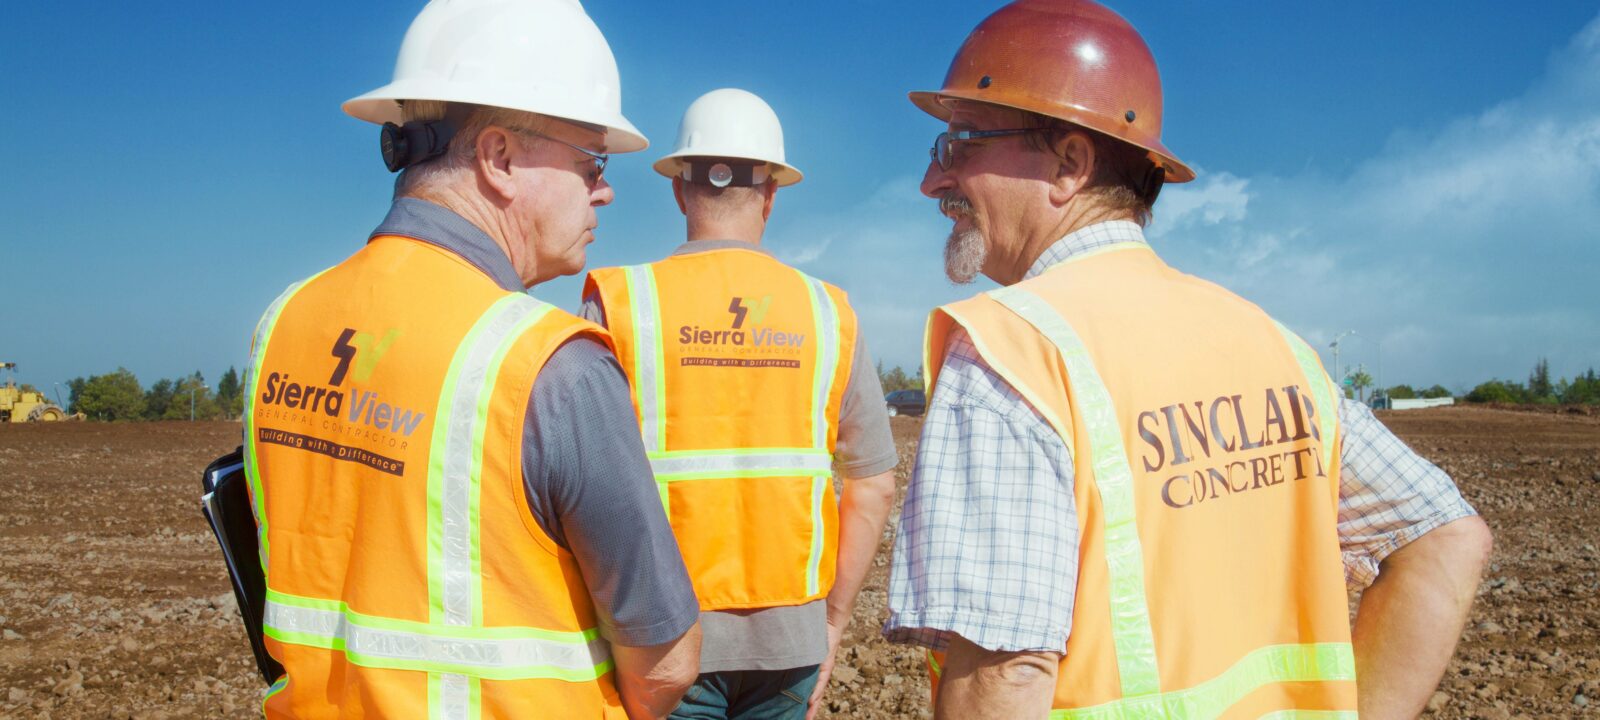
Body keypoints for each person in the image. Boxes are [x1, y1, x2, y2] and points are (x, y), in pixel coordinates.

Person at [882, 1, 1493, 718]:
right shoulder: (1268, 341)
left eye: (961, 144)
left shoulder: (1010, 356)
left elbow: (1003, 676)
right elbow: (1448, 537)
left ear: (1070, 163)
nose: (935, 180)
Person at [241, 1, 701, 716]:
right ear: (499, 157)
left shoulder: (284, 322)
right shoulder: (552, 367)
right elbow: (665, 665)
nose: (604, 190)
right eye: (592, 162)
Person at [582, 89, 899, 720]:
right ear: (772, 194)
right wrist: (831, 624)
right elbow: (874, 485)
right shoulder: (828, 314)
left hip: (657, 637)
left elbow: (583, 486)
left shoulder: (624, 302)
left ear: (679, 190)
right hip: (791, 645)